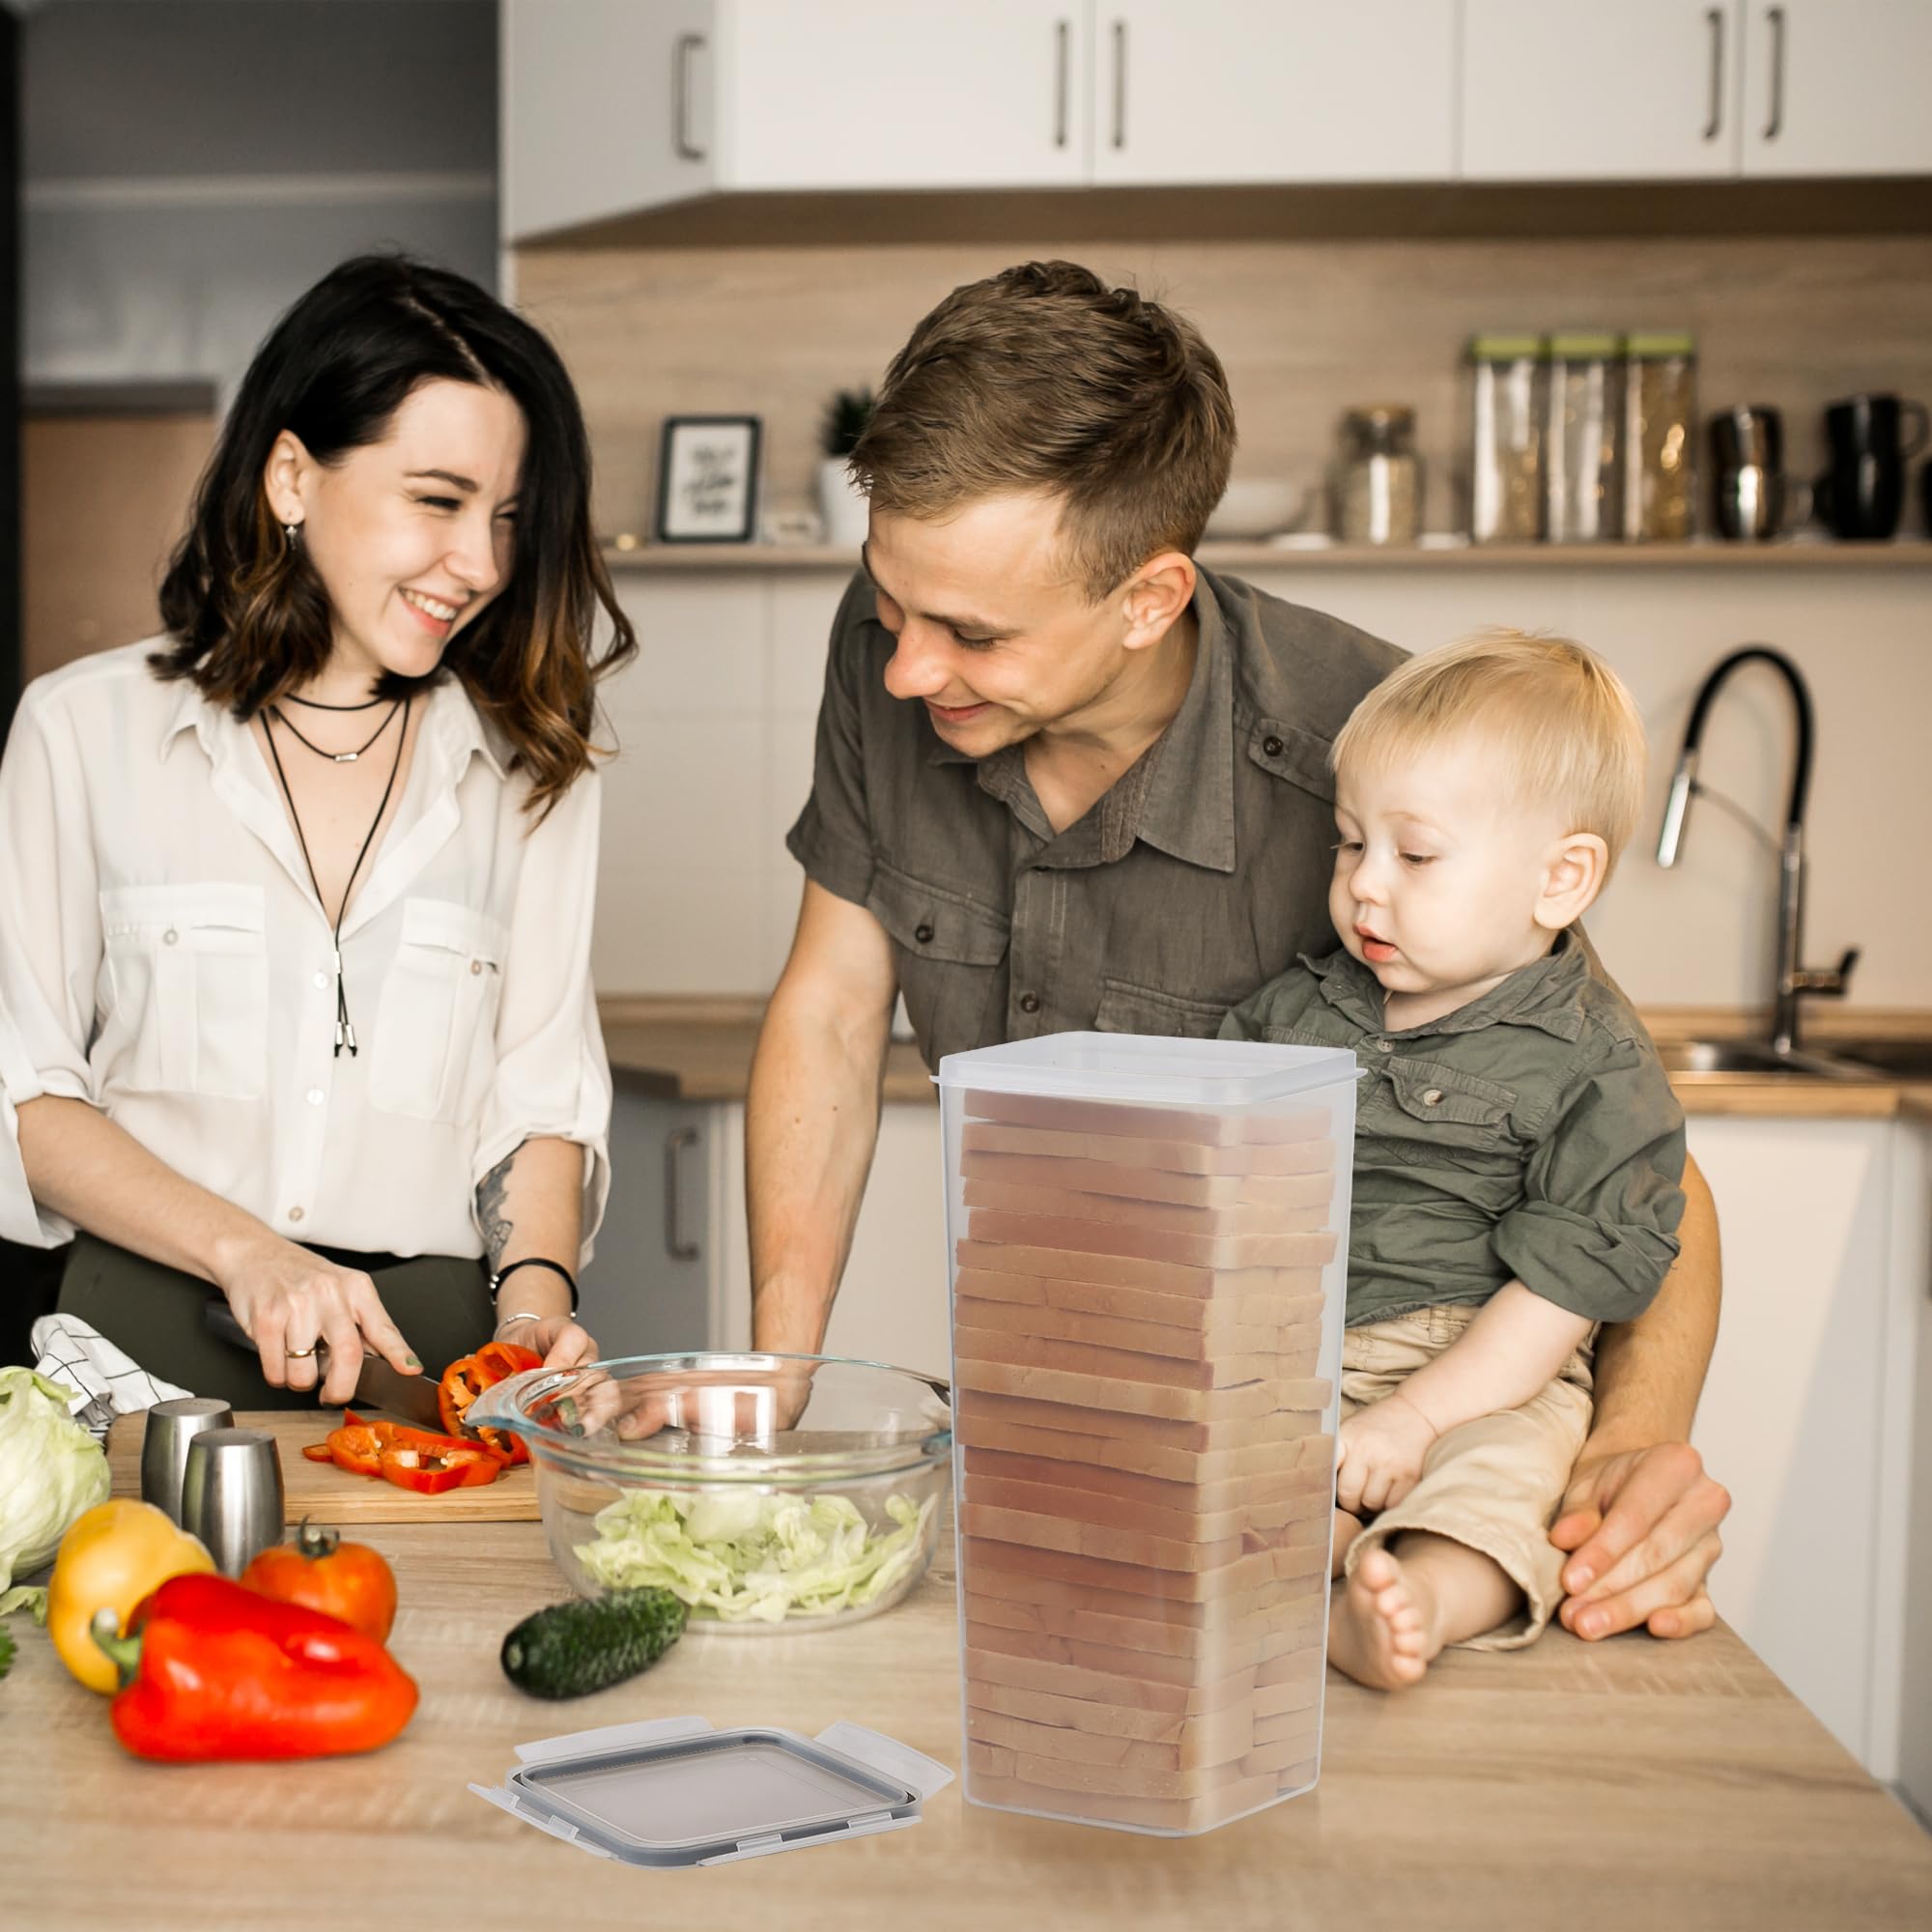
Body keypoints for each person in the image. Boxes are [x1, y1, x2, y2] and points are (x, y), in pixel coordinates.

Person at [749, 259, 1730, 1645]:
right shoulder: (901, 643)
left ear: (1150, 597)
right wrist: (773, 1379)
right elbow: (834, 1015)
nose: (907, 669)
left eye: (970, 633)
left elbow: (1629, 1156)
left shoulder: (1377, 760)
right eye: (888, 602)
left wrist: (1637, 1440)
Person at [0, 254, 633, 1406]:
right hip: (138, 1339)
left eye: (505, 516)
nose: (483, 562)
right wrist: (252, 1251)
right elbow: (27, 1096)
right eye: (436, 501)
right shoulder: (80, 730)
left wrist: (535, 1311)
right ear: (292, 476)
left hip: (426, 1354)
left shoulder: (533, 759)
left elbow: (538, 1098)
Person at [1217, 633, 1685, 1686]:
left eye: (1414, 854)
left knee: (1504, 1483)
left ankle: (1420, 1592)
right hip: (1300, 1348)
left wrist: (1420, 1414)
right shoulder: (1291, 1011)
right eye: (1348, 844)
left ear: (1559, 879)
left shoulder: (1598, 1065)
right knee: (1184, 1458)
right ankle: (1327, 1559)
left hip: (1488, 1364)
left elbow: (1564, 1287)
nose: (1363, 888)